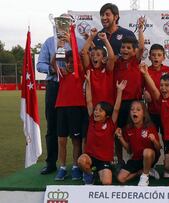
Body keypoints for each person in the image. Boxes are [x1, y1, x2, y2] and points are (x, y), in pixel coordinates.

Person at [36, 14, 85, 175]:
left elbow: (85, 62)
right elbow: (41, 64)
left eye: (67, 22)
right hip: (54, 85)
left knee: (78, 130)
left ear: (73, 24)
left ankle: (80, 164)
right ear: (56, 24)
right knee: (53, 127)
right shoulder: (50, 42)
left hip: (76, 89)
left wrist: (70, 43)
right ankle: (52, 163)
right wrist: (54, 70)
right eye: (60, 22)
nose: (63, 25)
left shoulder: (80, 42)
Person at [140, 55, 169, 186]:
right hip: (168, 137)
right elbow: (154, 89)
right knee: (167, 167)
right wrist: (145, 74)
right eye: (162, 85)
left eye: (167, 85)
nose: (163, 88)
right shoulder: (162, 100)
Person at [77, 71, 126, 185]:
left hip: (104, 160)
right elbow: (89, 101)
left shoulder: (110, 123)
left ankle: (105, 170)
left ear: (107, 115)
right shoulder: (91, 120)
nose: (96, 112)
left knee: (107, 183)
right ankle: (90, 175)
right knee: (81, 161)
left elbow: (116, 109)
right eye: (96, 109)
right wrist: (88, 82)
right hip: (90, 158)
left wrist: (119, 91)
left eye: (100, 111)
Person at [113, 17, 145, 165]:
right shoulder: (117, 62)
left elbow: (142, 47)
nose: (125, 50)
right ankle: (119, 160)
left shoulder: (135, 61)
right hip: (119, 103)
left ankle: (138, 161)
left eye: (128, 48)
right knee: (118, 132)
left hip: (135, 103)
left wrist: (140, 29)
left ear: (134, 51)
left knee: (136, 133)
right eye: (123, 47)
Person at [53, 50, 86, 181]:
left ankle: (75, 167)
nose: (70, 64)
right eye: (67, 62)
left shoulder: (80, 73)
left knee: (76, 140)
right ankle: (62, 168)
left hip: (77, 109)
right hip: (61, 108)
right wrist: (59, 50)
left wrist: (71, 41)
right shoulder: (62, 72)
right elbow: (52, 63)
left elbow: (80, 62)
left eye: (73, 62)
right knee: (61, 140)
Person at [116, 101, 161, 186]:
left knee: (147, 152)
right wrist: (120, 137)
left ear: (144, 114)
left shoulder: (149, 127)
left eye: (138, 110)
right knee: (121, 179)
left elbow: (158, 147)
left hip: (149, 157)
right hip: (136, 159)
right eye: (132, 110)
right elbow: (129, 151)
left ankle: (145, 177)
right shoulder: (128, 128)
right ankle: (144, 171)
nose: (134, 111)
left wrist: (154, 140)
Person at [143, 44, 169, 134]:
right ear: (149, 57)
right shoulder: (145, 71)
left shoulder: (168, 70)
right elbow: (140, 87)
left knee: (167, 136)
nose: (156, 57)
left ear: (164, 57)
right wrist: (144, 92)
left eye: (159, 55)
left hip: (166, 110)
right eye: (153, 55)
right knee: (152, 137)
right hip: (152, 111)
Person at [82, 28, 116, 106]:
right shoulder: (89, 68)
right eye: (92, 55)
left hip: (107, 106)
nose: (94, 57)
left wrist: (105, 40)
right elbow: (84, 52)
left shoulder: (107, 70)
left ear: (104, 59)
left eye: (98, 55)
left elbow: (111, 57)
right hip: (91, 105)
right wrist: (92, 36)